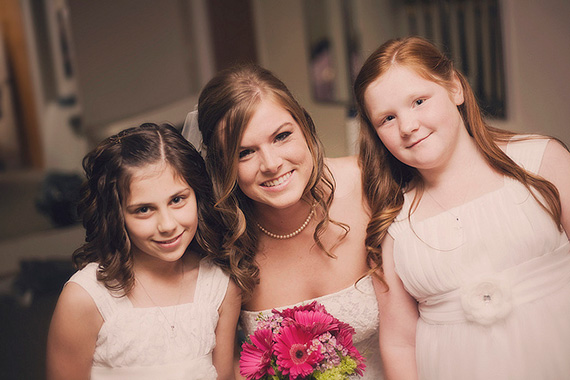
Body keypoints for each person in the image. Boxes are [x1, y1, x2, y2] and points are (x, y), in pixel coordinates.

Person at [353, 35, 570, 380]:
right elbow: (400, 343)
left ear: (455, 88)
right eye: (387, 119)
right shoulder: (395, 225)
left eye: (419, 100)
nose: (408, 126)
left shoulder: (541, 161)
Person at [185, 63, 384, 378]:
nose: (271, 164)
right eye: (244, 153)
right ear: (222, 164)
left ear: (304, 125)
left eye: (281, 136)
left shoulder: (368, 186)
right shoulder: (221, 240)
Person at [46, 123, 241, 380]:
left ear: (197, 195)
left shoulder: (218, 285)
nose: (168, 225)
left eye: (177, 199)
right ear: (117, 216)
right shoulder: (85, 298)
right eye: (143, 209)